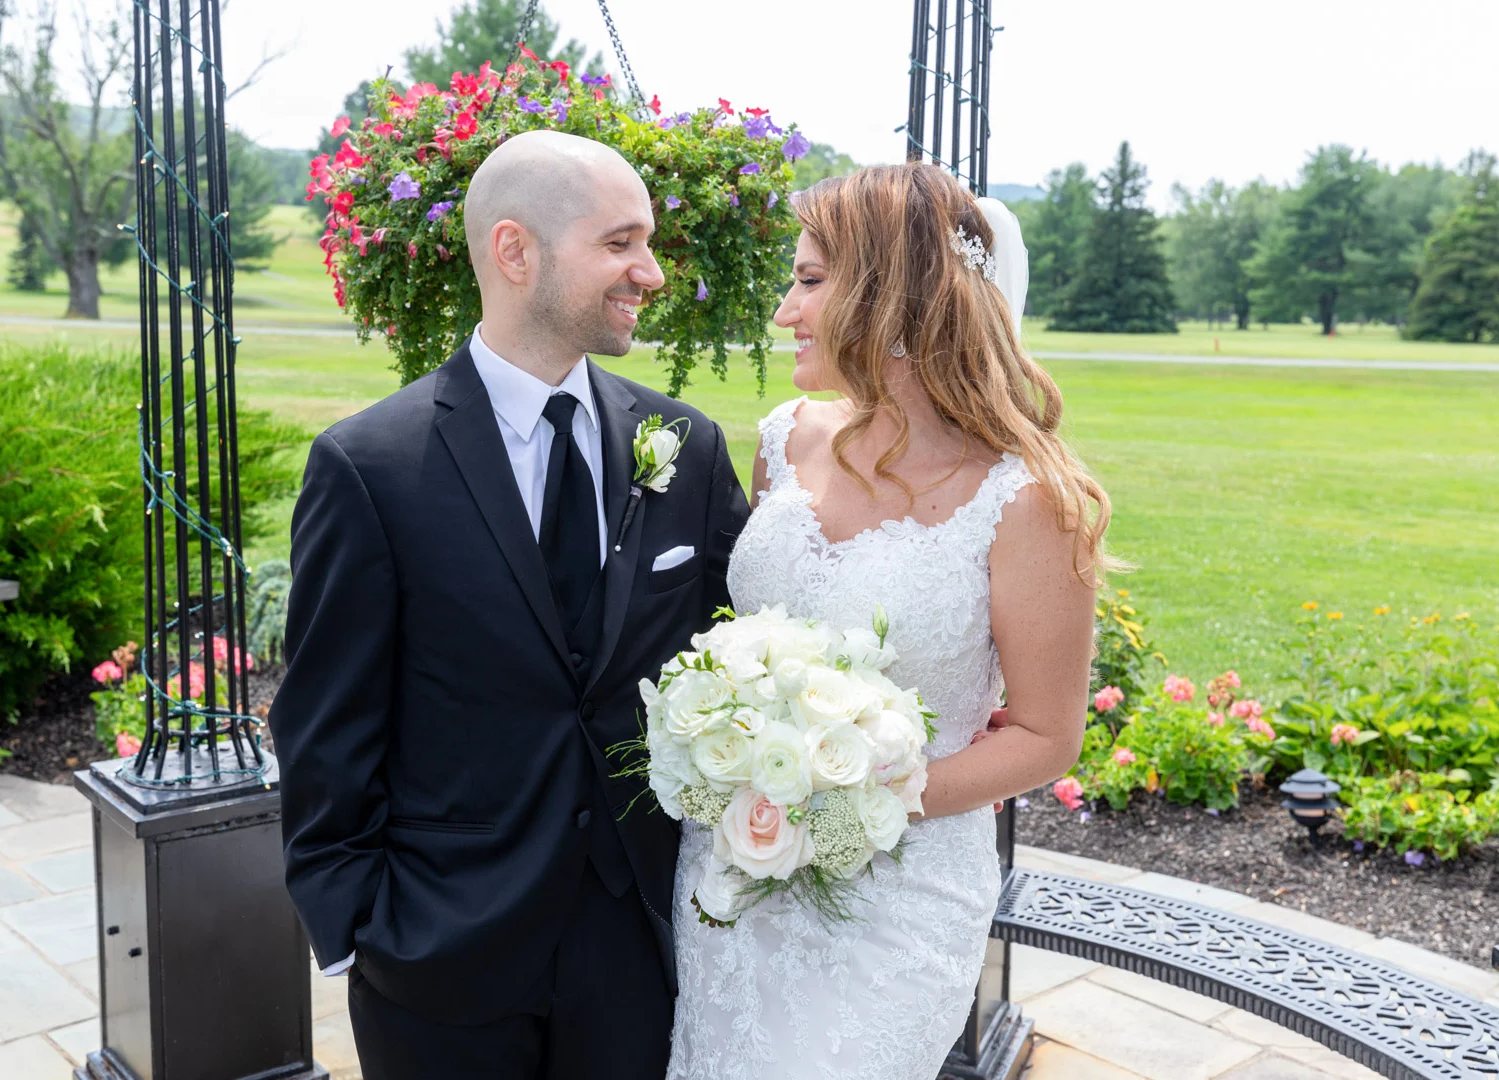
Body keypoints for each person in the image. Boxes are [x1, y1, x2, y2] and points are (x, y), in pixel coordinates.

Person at [269, 130, 749, 1080]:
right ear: (515, 250)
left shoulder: (685, 446)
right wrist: (355, 925)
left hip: (637, 942)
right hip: (438, 954)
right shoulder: (369, 467)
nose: (651, 272)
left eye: (648, 243)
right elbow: (325, 724)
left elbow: (743, 651)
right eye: (620, 242)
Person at [665, 162, 1106, 1079]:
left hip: (898, 905)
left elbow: (1045, 737)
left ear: (893, 295)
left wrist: (851, 802)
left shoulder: (1027, 502)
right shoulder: (785, 440)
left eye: (810, 280)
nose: (785, 311)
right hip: (732, 870)